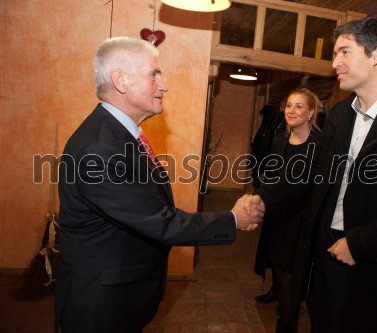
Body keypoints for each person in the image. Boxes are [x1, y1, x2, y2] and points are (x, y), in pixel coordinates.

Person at [247, 17, 377, 332]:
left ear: (376, 55)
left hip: (374, 266)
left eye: (344, 52)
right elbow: (312, 174)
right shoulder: (340, 115)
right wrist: (263, 197)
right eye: (335, 54)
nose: (334, 63)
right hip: (323, 254)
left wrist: (361, 244)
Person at [55, 36, 263, 333]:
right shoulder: (99, 149)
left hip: (120, 293)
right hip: (100, 304)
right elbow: (159, 222)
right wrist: (233, 220)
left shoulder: (120, 134)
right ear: (121, 80)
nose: (163, 85)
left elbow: (148, 205)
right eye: (154, 73)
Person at [253, 88, 321, 332]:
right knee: (277, 263)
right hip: (278, 212)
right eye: (289, 105)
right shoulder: (281, 138)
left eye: (299, 106)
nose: (291, 111)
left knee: (290, 271)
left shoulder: (318, 144)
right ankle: (279, 297)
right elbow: (273, 174)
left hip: (300, 217)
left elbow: (308, 184)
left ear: (311, 112)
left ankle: (287, 324)